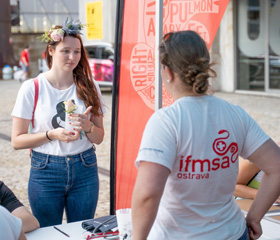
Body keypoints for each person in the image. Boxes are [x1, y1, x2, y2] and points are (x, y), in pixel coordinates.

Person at [131, 30, 280, 240]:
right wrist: (254, 217)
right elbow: (277, 167)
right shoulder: (235, 114)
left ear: (168, 72)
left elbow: (147, 195)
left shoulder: (166, 121)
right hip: (233, 233)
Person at [11, 18, 105, 227]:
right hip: (45, 170)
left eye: (77, 51)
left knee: (82, 231)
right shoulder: (32, 87)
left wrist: (87, 126)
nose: (72, 57)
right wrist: (50, 135)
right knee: (46, 232)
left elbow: (98, 138)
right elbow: (16, 140)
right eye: (66, 51)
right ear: (51, 51)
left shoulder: (90, 87)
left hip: (85, 167)